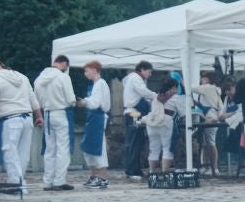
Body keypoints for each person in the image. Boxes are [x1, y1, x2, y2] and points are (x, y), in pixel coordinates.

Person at [0, 56, 38, 196]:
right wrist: (38, 116)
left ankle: (16, 184)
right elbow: (32, 97)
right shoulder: (21, 76)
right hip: (27, 117)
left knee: (10, 151)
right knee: (23, 153)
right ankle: (19, 184)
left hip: (11, 119)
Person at [33, 55, 76, 191]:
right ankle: (59, 180)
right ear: (64, 64)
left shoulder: (39, 79)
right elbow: (71, 100)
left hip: (47, 113)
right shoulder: (63, 77)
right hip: (61, 113)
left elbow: (36, 101)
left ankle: (48, 181)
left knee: (49, 149)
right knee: (63, 148)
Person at [78, 60, 112, 188]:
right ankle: (93, 176)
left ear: (94, 70)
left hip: (98, 117)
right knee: (88, 147)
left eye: (86, 70)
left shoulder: (100, 84)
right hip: (92, 118)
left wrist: (85, 102)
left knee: (98, 147)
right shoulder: (94, 85)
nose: (85, 73)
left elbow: (96, 103)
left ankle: (103, 178)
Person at [120, 61, 155, 180]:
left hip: (132, 112)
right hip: (133, 112)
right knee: (134, 142)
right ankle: (131, 171)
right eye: (149, 72)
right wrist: (157, 96)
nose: (150, 75)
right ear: (142, 69)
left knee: (137, 142)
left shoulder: (131, 78)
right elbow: (144, 92)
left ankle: (136, 169)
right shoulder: (136, 78)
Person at [193, 69, 225, 174]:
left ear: (207, 79)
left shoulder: (207, 87)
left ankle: (214, 168)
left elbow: (191, 88)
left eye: (203, 77)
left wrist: (183, 82)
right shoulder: (214, 89)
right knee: (208, 143)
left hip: (210, 116)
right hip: (210, 114)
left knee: (210, 143)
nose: (201, 79)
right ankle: (209, 167)